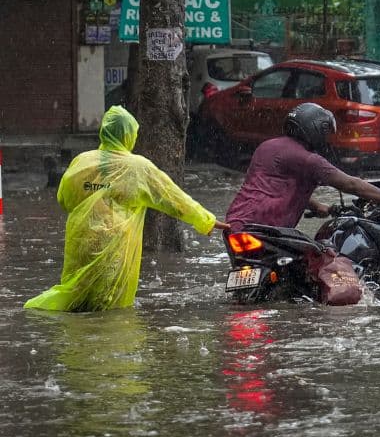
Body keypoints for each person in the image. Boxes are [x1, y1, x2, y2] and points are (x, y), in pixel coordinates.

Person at [25, 105, 230, 313]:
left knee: (77, 297)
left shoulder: (82, 161)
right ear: (128, 136)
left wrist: (96, 198)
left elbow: (64, 198)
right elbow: (174, 199)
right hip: (114, 247)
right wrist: (206, 220)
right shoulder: (138, 168)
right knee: (109, 306)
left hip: (81, 242)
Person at [225, 102, 380, 231]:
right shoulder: (308, 159)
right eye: (326, 132)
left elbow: (271, 189)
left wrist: (317, 206)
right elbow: (351, 184)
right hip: (266, 227)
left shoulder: (267, 147)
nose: (327, 139)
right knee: (324, 261)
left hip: (235, 223)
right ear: (316, 129)